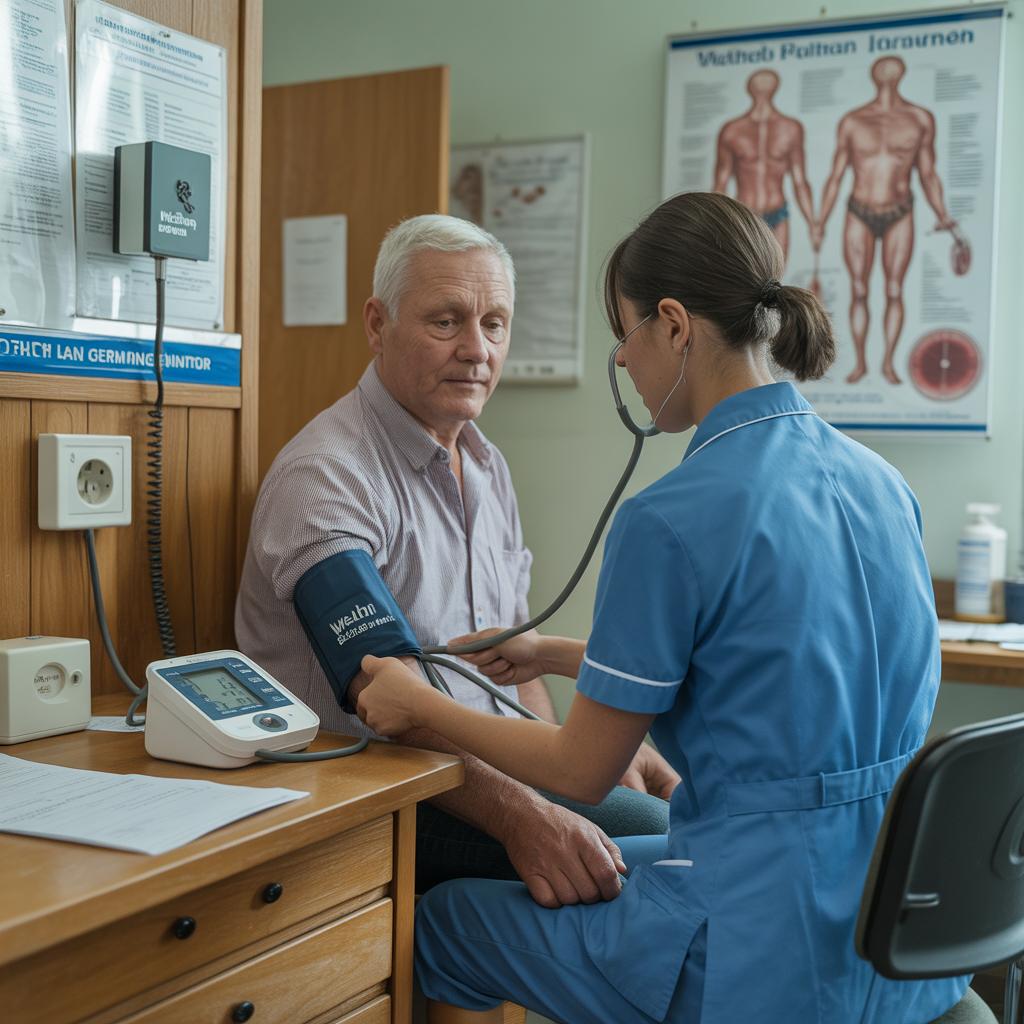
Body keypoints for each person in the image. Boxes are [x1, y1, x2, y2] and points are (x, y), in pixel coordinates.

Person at [355, 193, 970, 1023]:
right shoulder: (880, 482)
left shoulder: (668, 517)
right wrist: (557, 653)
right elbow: (772, 657)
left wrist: (418, 704)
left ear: (673, 325)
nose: (627, 362)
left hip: (759, 951)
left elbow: (582, 770)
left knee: (441, 923)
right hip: (895, 925)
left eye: (626, 336)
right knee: (619, 848)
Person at [235, 214, 677, 905]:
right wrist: (528, 816)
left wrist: (576, 764)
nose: (477, 350)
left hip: (482, 768)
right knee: (654, 841)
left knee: (675, 815)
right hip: (378, 785)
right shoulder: (326, 477)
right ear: (377, 325)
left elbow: (514, 661)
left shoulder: (484, 463)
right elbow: (391, 699)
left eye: (495, 324)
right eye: (447, 322)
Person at [816, 56, 956, 385]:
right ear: (873, 76)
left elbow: (928, 172)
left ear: (902, 74)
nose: (887, 76)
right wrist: (819, 220)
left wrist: (942, 213)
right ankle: (862, 364)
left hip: (900, 210)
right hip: (858, 211)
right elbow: (835, 176)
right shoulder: (853, 121)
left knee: (894, 289)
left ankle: (888, 363)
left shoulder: (919, 118)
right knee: (859, 288)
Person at [713, 69, 815, 262]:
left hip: (778, 213)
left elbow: (800, 181)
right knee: (743, 280)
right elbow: (720, 183)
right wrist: (715, 226)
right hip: (744, 216)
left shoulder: (791, 128)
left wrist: (813, 224)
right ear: (749, 87)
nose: (763, 83)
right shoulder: (731, 130)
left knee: (775, 283)